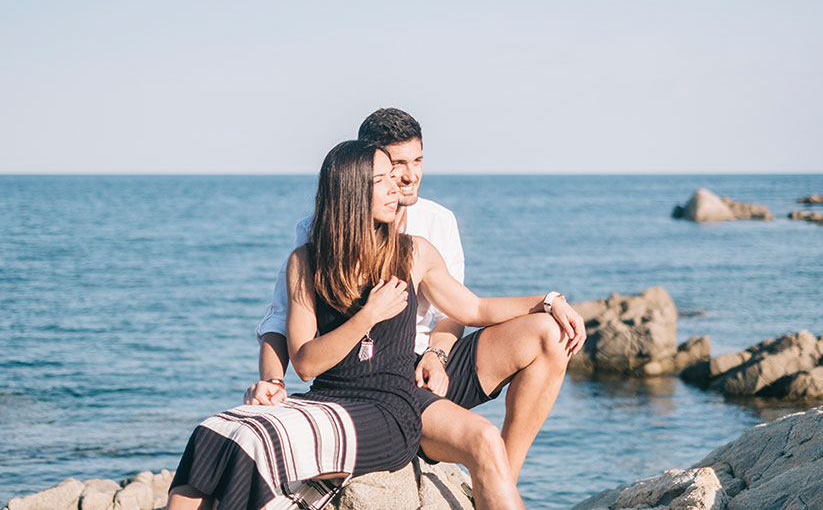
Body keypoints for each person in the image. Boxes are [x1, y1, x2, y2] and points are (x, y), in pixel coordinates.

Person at [168, 141, 538, 509]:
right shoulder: (307, 261)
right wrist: (368, 315)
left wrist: (546, 301)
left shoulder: (414, 252)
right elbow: (306, 363)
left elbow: (475, 307)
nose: (397, 188)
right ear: (351, 192)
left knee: (255, 439)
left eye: (395, 178)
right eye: (382, 180)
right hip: (326, 399)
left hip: (389, 411)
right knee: (215, 431)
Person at [248, 109, 586, 482]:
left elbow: (461, 308)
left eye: (418, 161)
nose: (408, 176)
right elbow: (283, 319)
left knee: (549, 333)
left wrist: (439, 354)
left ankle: (501, 480)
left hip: (434, 365)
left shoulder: (437, 222)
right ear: (367, 170)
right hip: (370, 375)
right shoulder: (319, 232)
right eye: (396, 165)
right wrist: (273, 381)